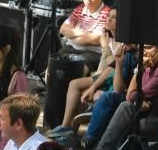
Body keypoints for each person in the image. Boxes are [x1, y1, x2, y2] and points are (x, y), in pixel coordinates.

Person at [73, 43, 158, 150]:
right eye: (142, 48)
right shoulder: (151, 61)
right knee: (123, 111)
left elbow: (132, 95)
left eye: (149, 47)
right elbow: (132, 95)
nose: (144, 52)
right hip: (149, 112)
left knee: (125, 114)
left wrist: (138, 69)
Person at [49, 10, 122, 139]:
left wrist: (104, 47)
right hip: (102, 75)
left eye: (114, 18)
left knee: (85, 90)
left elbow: (113, 66)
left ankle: (75, 132)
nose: (108, 20)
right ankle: (67, 127)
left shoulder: (121, 43)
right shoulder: (107, 37)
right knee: (74, 84)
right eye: (108, 17)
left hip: (113, 78)